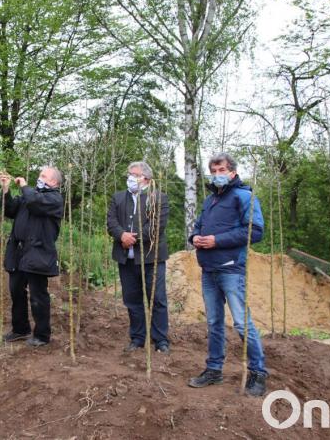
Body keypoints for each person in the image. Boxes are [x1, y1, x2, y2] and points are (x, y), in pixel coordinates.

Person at [187, 152, 268, 396]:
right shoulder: (210, 200)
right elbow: (198, 226)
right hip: (208, 270)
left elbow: (255, 231)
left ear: (232, 172)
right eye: (213, 171)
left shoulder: (244, 196)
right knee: (213, 322)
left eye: (222, 170)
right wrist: (195, 238)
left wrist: (217, 241)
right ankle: (214, 369)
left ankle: (258, 372)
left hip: (231, 268)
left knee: (242, 323)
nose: (217, 175)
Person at [107, 162, 170, 354]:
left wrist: (132, 238)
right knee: (132, 299)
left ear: (146, 179)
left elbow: (156, 227)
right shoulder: (118, 198)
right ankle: (137, 338)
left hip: (152, 258)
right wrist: (121, 236)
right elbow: (111, 221)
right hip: (126, 258)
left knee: (156, 299)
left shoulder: (158, 198)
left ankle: (160, 340)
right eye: (129, 174)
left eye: (135, 175)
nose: (130, 178)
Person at [0, 166, 64, 347]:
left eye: (44, 176)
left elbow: (35, 203)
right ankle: (20, 329)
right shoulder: (31, 195)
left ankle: (42, 335)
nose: (40, 178)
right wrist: (6, 189)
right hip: (18, 252)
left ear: (54, 182)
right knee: (16, 291)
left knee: (38, 296)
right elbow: (10, 210)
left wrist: (25, 186)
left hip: (38, 253)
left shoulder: (53, 199)